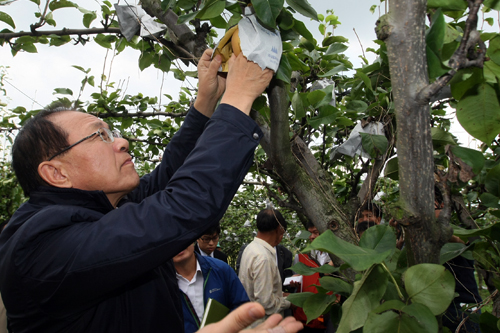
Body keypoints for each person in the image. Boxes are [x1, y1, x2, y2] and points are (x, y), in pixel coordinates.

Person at [0, 51, 302, 333]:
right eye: (99, 135)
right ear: (57, 173)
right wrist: (238, 98)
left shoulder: (100, 211)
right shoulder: (43, 245)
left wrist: (206, 102)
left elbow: (168, 179)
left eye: (113, 132)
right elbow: (181, 205)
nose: (121, 142)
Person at [173, 243, 249, 333]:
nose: (177, 244)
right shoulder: (158, 282)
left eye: (180, 235)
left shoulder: (220, 270)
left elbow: (241, 307)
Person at [238, 208, 292, 326]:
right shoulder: (263, 258)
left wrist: (280, 294)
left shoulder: (251, 248)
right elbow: (266, 304)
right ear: (279, 229)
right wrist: (291, 302)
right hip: (263, 324)